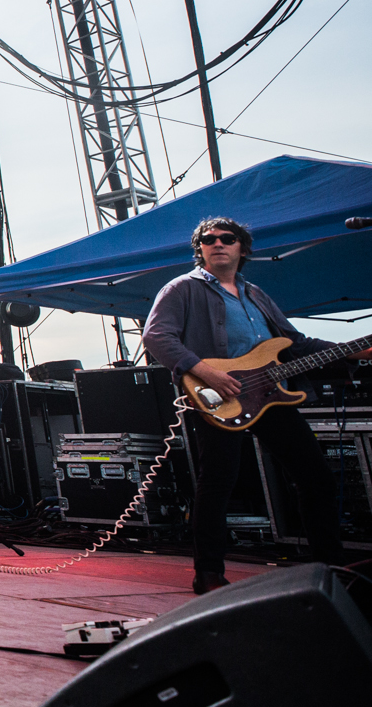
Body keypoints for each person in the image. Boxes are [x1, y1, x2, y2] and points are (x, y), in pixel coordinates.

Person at [145, 216, 368, 594]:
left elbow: (294, 344)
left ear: (242, 249)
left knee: (315, 476)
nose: (217, 243)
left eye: (226, 238)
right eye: (207, 239)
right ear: (199, 249)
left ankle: (330, 566)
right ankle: (209, 572)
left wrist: (354, 351)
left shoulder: (256, 294)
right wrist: (206, 372)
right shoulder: (183, 288)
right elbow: (156, 336)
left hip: (271, 396)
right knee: (218, 483)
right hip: (218, 395)